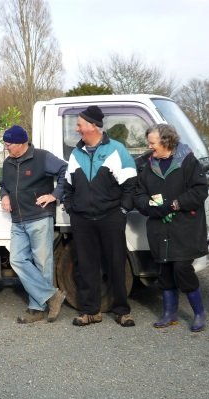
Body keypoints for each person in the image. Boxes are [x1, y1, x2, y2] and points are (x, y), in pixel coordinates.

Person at [63, 106, 136, 327]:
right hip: (83, 220)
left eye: (80, 124)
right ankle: (90, 311)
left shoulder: (117, 150)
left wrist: (122, 210)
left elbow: (131, 184)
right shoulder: (76, 154)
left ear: (93, 126)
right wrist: (71, 208)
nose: (77, 128)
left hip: (110, 217)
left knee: (116, 264)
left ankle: (122, 311)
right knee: (86, 267)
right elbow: (68, 186)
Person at [134, 124, 209, 332]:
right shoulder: (148, 165)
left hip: (184, 227)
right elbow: (138, 195)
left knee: (182, 268)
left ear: (166, 141)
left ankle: (199, 313)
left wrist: (177, 204)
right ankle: (169, 313)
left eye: (153, 143)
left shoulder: (187, 162)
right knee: (164, 269)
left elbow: (199, 190)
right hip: (159, 227)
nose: (150, 147)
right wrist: (150, 206)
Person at [0, 125, 68, 324]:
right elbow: (4, 184)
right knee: (17, 260)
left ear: (22, 143)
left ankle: (37, 308)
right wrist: (4, 195)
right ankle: (52, 296)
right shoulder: (7, 163)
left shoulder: (42, 157)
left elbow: (66, 169)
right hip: (18, 219)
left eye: (9, 143)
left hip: (39, 217)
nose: (6, 147)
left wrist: (55, 195)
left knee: (42, 264)